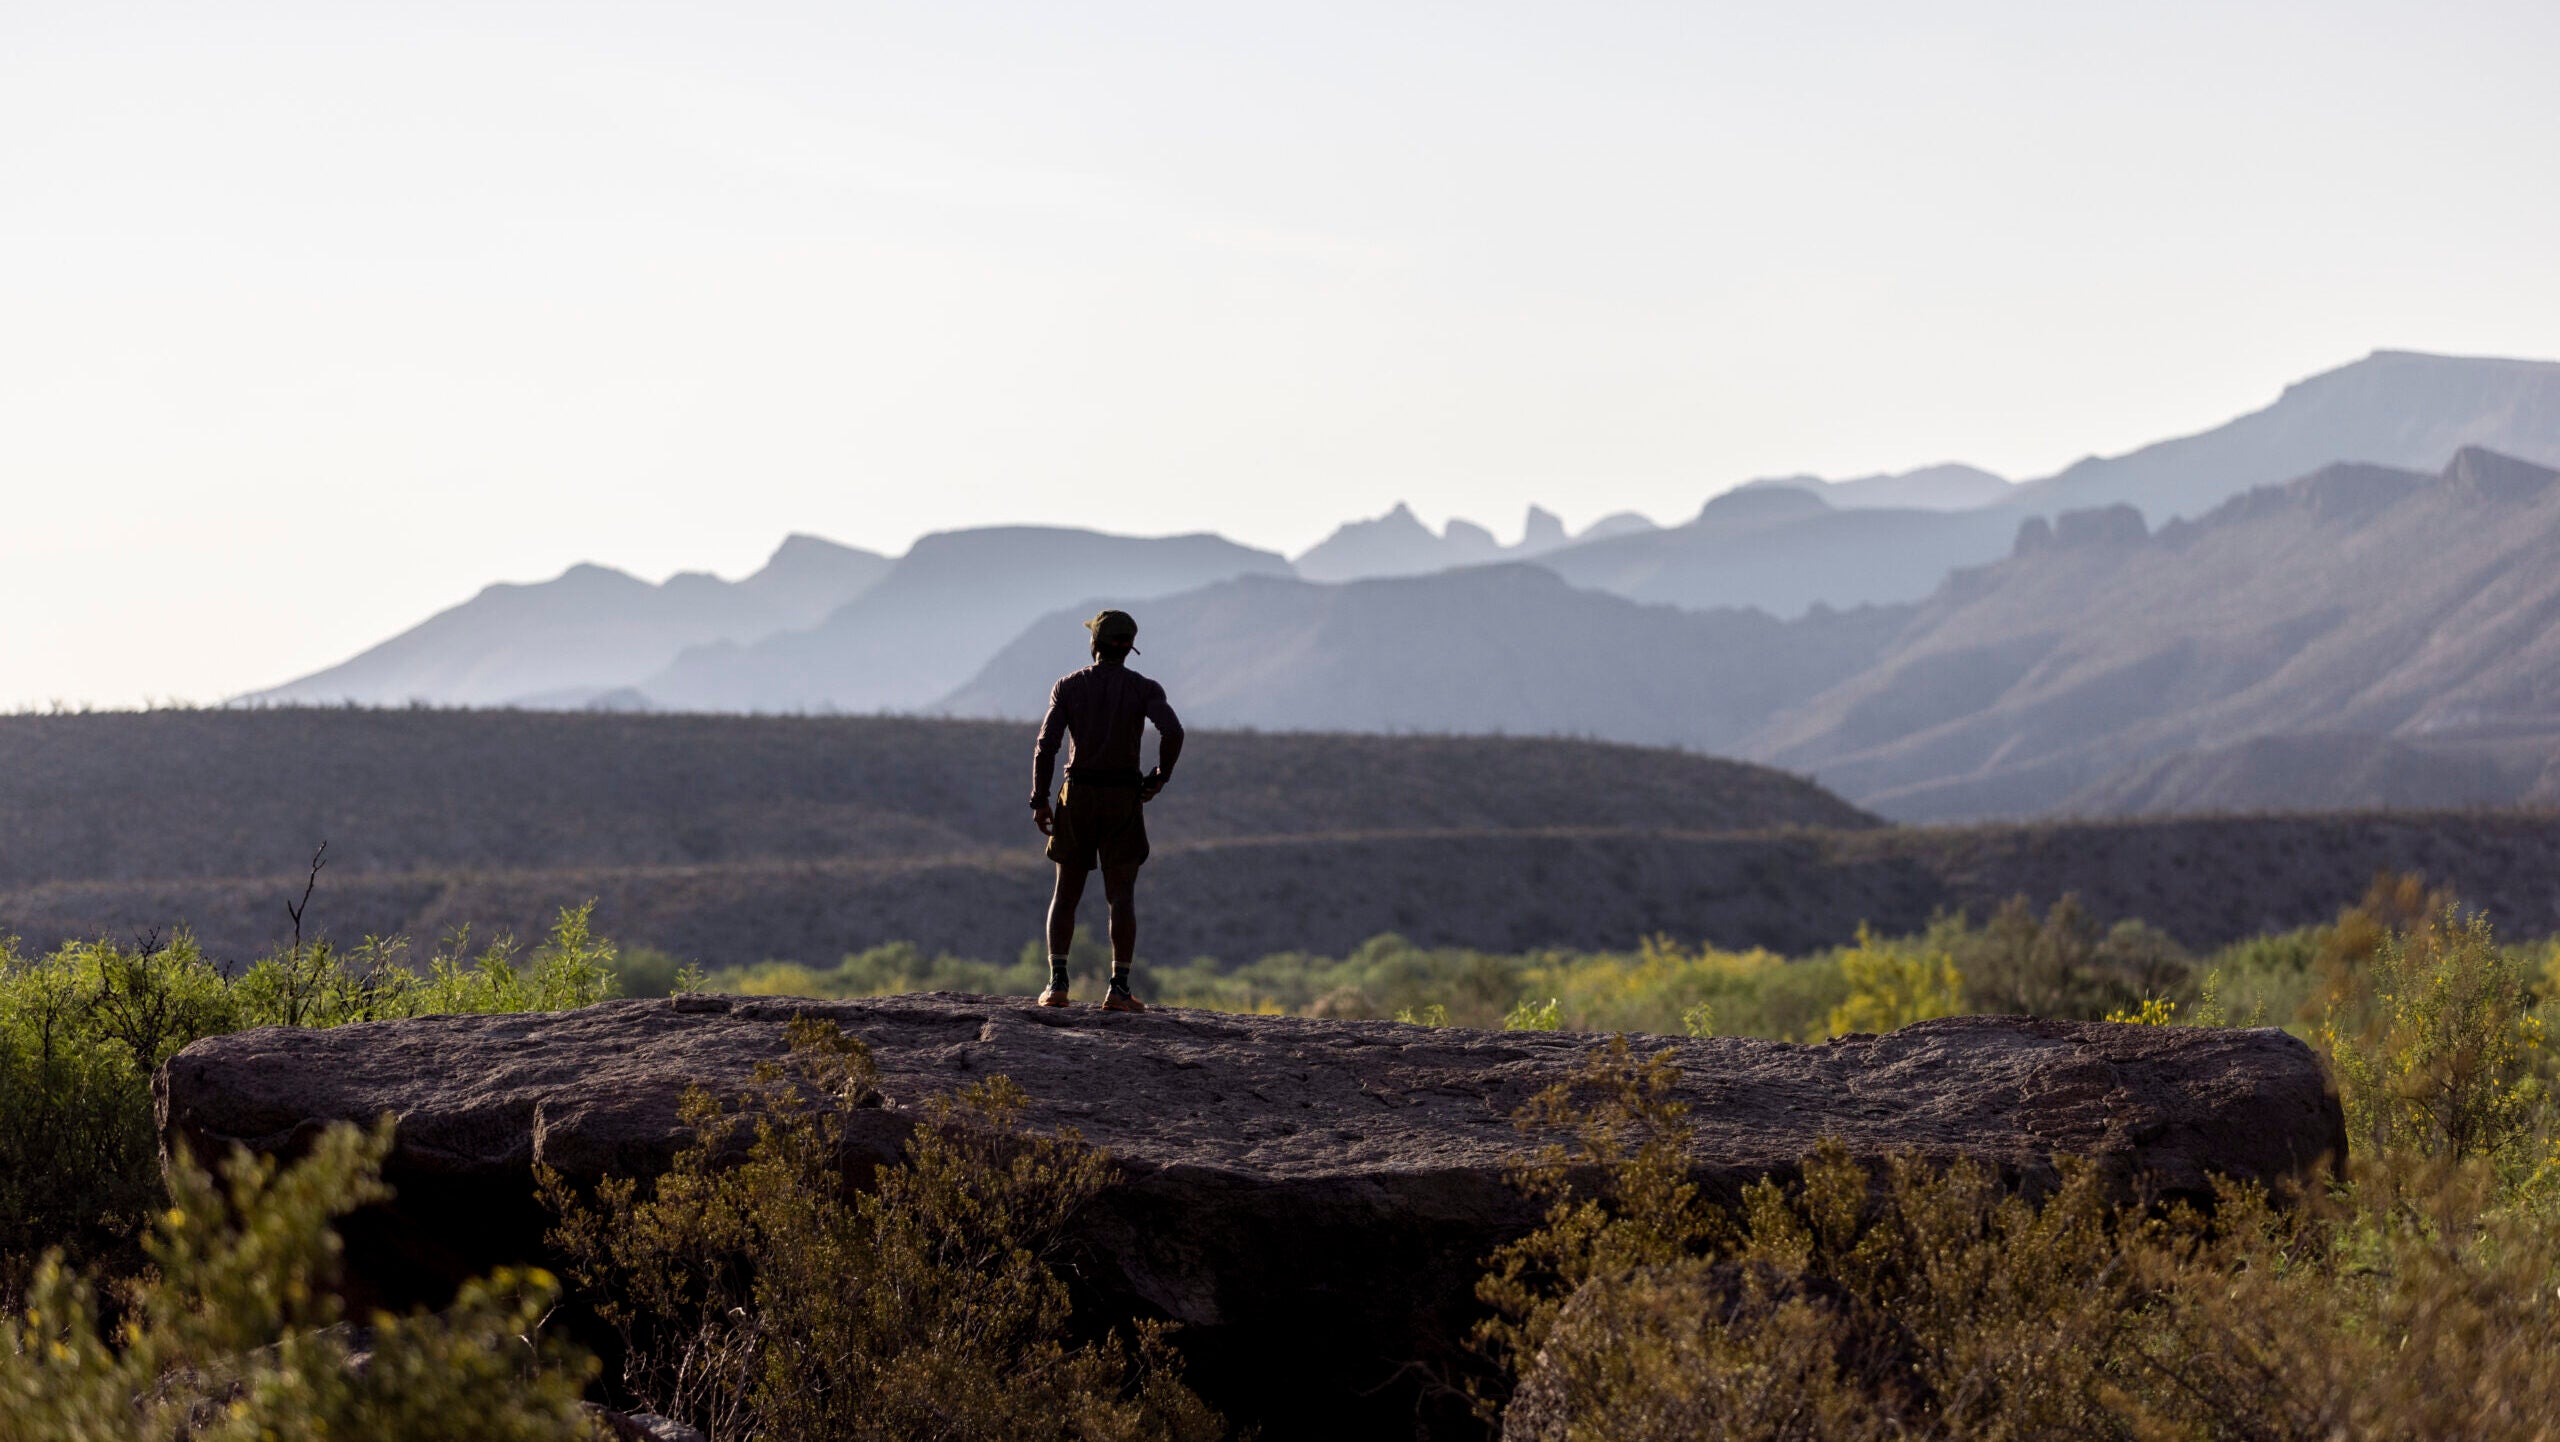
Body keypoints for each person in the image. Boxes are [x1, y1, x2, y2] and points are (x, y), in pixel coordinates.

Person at [1030, 608, 1183, 1011]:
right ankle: (1118, 988)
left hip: (1076, 796)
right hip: (1122, 798)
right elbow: (1173, 731)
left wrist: (1040, 798)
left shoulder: (1068, 686)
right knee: (1121, 895)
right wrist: (1160, 776)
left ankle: (1057, 984)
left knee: (1066, 892)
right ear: (1129, 648)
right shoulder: (1144, 688)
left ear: (1093, 644)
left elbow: (1047, 744)